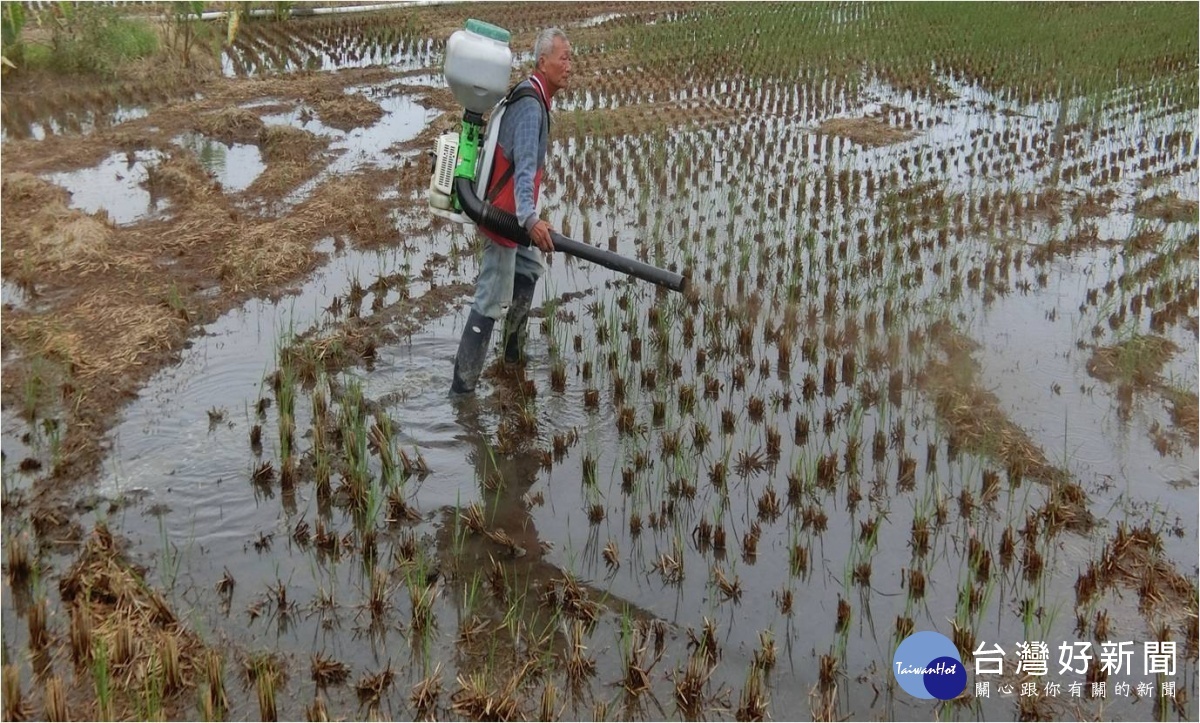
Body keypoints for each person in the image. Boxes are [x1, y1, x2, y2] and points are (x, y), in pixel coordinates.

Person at [450, 27, 572, 395]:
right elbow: (522, 171)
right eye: (563, 58)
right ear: (543, 62)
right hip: (504, 216)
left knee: (530, 268)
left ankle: (512, 354)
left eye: (570, 58)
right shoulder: (532, 107)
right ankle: (463, 388)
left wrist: (527, 221)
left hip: (511, 215)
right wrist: (530, 221)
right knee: (490, 295)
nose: (569, 66)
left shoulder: (530, 94)